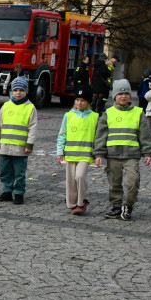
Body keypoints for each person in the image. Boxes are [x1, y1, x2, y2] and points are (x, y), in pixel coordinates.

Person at [93, 79, 151, 221]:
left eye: (126, 93)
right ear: (115, 96)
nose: (123, 96)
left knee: (133, 182)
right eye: (120, 94)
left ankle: (128, 205)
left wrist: (148, 153)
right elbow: (100, 136)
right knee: (114, 182)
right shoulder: (108, 113)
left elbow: (145, 135)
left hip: (131, 154)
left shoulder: (138, 113)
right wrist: (99, 154)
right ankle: (116, 206)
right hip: (113, 155)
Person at [0, 76, 38, 204]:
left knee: (19, 172)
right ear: (12, 91)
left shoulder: (30, 108)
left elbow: (33, 128)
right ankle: (7, 191)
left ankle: (18, 193)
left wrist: (29, 144)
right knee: (5, 170)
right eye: (15, 90)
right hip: (5, 145)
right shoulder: (6, 106)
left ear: (26, 91)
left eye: (21, 90)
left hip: (20, 147)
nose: (18, 93)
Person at [56, 84, 98, 215]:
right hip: (70, 153)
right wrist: (59, 151)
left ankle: (82, 201)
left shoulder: (95, 117)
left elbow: (98, 137)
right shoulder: (68, 115)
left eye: (83, 100)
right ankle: (73, 204)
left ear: (88, 102)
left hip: (86, 154)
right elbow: (62, 134)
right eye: (78, 100)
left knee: (80, 176)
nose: (80, 103)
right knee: (71, 180)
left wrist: (98, 154)